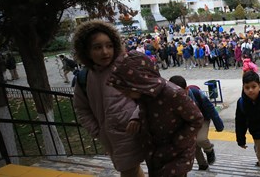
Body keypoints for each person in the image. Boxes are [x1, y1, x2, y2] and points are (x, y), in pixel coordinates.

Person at [107, 51, 203, 176]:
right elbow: (143, 109)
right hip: (156, 153)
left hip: (176, 157)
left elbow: (196, 119)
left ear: (139, 82)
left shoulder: (173, 94)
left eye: (126, 89)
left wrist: (177, 143)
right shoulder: (144, 95)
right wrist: (136, 118)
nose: (124, 94)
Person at [72, 21, 146, 177]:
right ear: (86, 50)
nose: (105, 52)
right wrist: (97, 131)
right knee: (131, 171)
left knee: (128, 172)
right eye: (97, 47)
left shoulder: (126, 67)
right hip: (110, 138)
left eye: (109, 46)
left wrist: (136, 117)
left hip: (134, 133)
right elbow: (81, 108)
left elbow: (148, 96)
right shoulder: (84, 77)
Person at [168, 75, 224, 171]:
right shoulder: (171, 98)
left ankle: (209, 150)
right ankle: (202, 164)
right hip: (188, 123)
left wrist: (219, 125)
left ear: (186, 89)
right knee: (193, 144)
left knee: (201, 140)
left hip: (202, 119)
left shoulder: (197, 94)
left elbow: (211, 109)